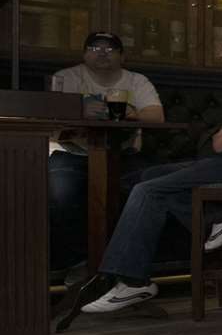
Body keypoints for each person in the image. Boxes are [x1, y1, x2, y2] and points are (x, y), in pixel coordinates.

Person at [82, 30, 222, 314]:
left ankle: (131, 281)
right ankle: (220, 219)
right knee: (147, 178)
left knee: (147, 189)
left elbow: (220, 144)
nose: (221, 53)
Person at [47, 31, 164, 272]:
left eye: (110, 49)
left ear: (122, 56)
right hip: (70, 153)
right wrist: (80, 111)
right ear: (84, 53)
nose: (102, 53)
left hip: (121, 154)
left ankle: (125, 265)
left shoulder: (136, 81)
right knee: (62, 193)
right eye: (94, 48)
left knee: (153, 187)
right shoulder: (66, 78)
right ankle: (78, 264)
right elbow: (51, 116)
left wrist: (131, 113)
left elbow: (157, 117)